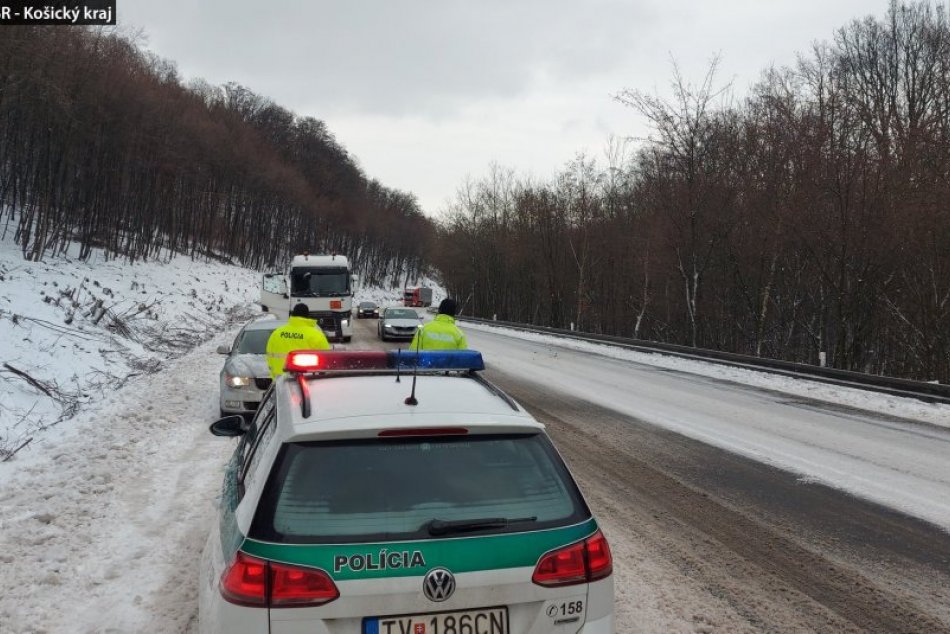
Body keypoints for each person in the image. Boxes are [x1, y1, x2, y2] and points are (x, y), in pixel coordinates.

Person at [265, 303, 331, 378]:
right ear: (307, 316)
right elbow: (327, 361)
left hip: (280, 382)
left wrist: (274, 376)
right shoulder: (316, 335)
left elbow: (269, 356)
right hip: (306, 382)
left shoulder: (277, 333)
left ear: (292, 314)